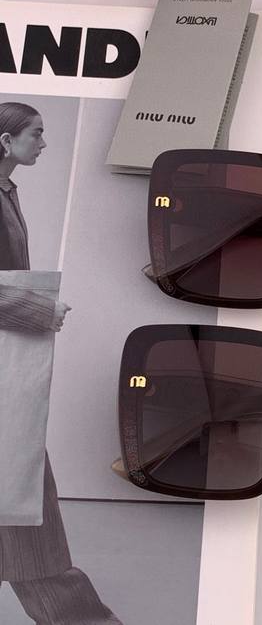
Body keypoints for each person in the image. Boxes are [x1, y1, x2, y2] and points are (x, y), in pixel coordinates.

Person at [0, 102, 122, 624]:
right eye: (37, 134)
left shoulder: (6, 191)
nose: (45, 144)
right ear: (6, 141)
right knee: (23, 493)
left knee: (21, 494)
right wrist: (38, 310)